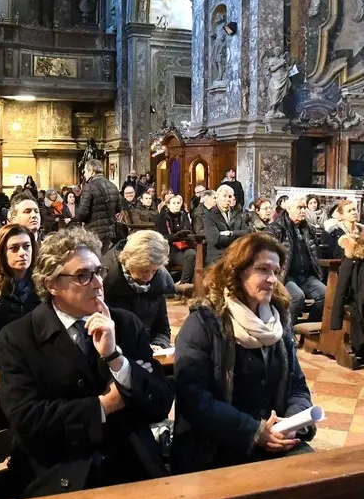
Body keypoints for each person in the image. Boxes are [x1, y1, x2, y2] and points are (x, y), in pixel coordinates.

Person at [0, 228, 173, 498]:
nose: (97, 283)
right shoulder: (18, 337)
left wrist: (116, 359)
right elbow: (28, 421)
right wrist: (103, 406)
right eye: (83, 275)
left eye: (98, 271)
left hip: (130, 463)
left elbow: (159, 404)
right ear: (52, 284)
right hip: (57, 470)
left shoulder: (125, 324)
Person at [172, 233, 315, 474]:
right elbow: (194, 399)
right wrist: (255, 432)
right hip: (218, 449)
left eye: (276, 272)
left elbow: (297, 384)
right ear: (237, 272)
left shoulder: (277, 321)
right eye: (262, 270)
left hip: (274, 441)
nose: (272, 279)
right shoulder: (205, 323)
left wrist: (292, 422)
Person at [0, 224, 40, 370]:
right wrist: (20, 364)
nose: (22, 253)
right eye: (14, 248)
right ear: (1, 253)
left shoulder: (45, 287)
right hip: (6, 368)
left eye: (26, 246)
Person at [102, 230, 176, 350]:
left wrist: (159, 344)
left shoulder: (158, 282)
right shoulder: (105, 282)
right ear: (128, 261)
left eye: (154, 271)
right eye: (144, 270)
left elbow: (162, 329)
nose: (149, 277)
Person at [266, 196, 325, 323]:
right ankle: (286, 331)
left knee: (327, 295)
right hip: (286, 275)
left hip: (307, 276)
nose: (303, 211)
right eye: (300, 207)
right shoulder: (276, 228)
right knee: (297, 296)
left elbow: (315, 253)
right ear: (288, 209)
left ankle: (306, 328)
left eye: (304, 207)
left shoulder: (308, 229)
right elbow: (268, 253)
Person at [75, 159, 122, 253]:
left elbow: (82, 213)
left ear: (91, 171)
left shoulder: (89, 187)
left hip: (93, 232)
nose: (84, 174)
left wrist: (75, 219)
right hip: (109, 231)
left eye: (85, 171)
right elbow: (118, 208)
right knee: (103, 258)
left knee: (93, 260)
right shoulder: (113, 185)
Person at [203, 185, 249, 265]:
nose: (228, 199)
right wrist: (238, 237)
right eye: (224, 196)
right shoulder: (209, 215)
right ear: (217, 197)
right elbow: (215, 240)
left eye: (230, 196)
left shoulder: (237, 214)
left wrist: (230, 233)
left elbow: (248, 232)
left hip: (236, 253)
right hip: (218, 256)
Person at [156, 194, 196, 285]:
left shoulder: (183, 216)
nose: (177, 205)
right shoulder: (162, 218)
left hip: (183, 248)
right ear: (169, 205)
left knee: (192, 254)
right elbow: (161, 236)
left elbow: (189, 231)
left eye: (178, 203)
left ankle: (183, 284)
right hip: (169, 250)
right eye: (174, 203)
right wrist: (176, 236)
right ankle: (168, 286)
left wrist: (184, 235)